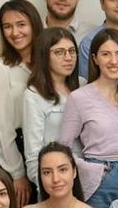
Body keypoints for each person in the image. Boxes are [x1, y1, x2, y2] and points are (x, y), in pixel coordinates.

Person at [59, 28, 118, 208]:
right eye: (106, 54)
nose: (114, 61)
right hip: (100, 180)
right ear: (95, 59)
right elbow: (62, 149)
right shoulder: (79, 98)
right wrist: (91, 170)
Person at [0, 0, 43, 186]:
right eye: (7, 27)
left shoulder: (49, 61)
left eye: (21, 24)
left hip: (50, 147)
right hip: (19, 151)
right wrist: (17, 173)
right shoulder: (1, 68)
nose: (14, 32)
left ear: (34, 24)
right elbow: (2, 126)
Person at [21, 26, 81, 172]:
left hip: (86, 172)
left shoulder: (83, 85)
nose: (68, 57)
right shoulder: (33, 95)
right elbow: (33, 155)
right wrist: (46, 182)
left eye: (72, 51)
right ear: (44, 56)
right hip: (55, 176)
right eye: (59, 52)